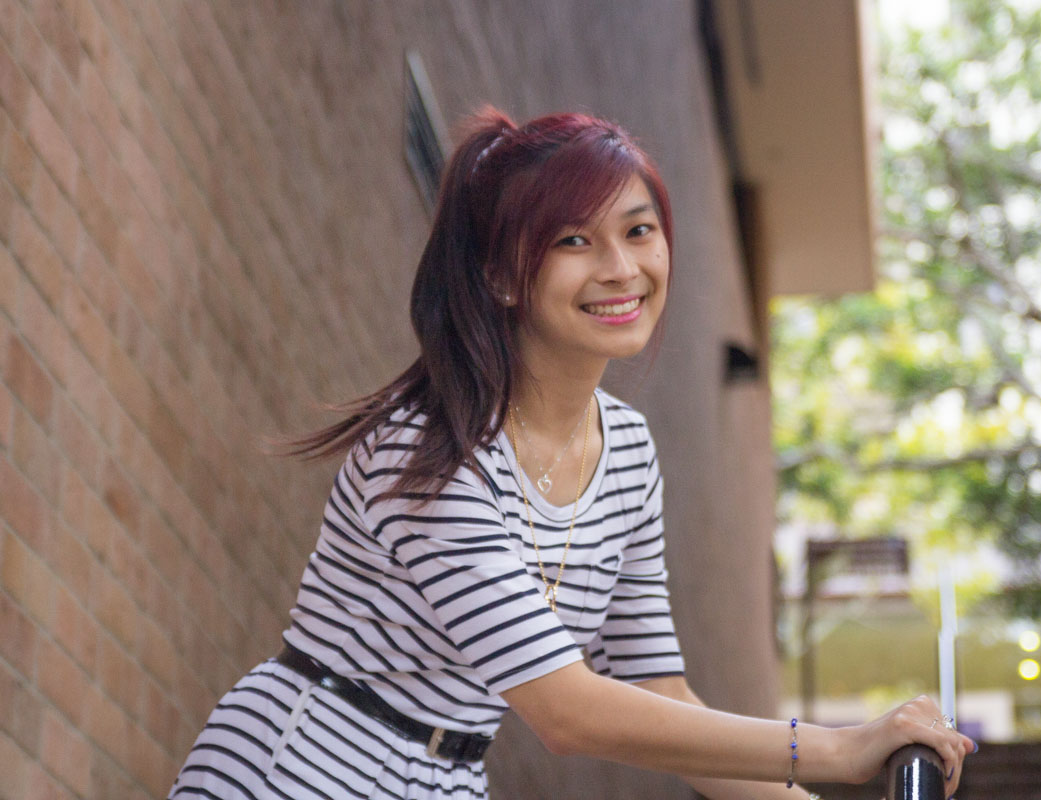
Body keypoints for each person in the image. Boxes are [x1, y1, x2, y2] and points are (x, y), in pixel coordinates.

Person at [167, 107, 974, 800]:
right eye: (574, 240)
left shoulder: (626, 451)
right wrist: (834, 749)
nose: (621, 269)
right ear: (503, 278)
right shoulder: (432, 450)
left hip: (447, 776)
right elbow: (568, 710)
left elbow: (658, 691)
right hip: (300, 763)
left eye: (638, 230)